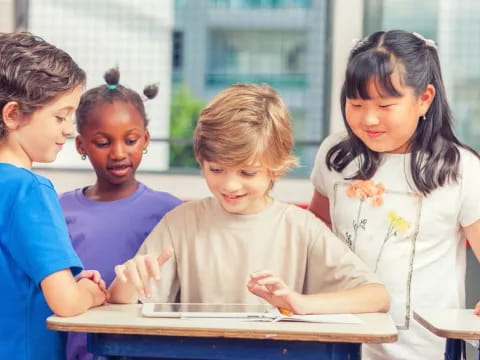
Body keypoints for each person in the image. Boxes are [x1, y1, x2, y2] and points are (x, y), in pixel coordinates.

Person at [107, 83, 390, 317]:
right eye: (216, 169)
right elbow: (122, 304)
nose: (230, 184)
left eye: (247, 172)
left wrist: (300, 303)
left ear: (276, 166)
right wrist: (128, 283)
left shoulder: (300, 227)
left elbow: (376, 297)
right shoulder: (181, 223)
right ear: (200, 160)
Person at [309, 30, 480, 360]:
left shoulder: (460, 168)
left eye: (385, 105)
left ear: (424, 99)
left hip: (424, 351)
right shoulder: (337, 155)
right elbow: (313, 236)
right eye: (356, 104)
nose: (368, 118)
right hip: (338, 343)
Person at [60, 67, 182, 360]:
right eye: (103, 143)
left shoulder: (170, 212)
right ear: (81, 145)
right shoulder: (59, 210)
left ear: (146, 139)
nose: (118, 153)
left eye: (131, 140)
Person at [0, 32, 107, 360]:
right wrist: (87, 292)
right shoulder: (30, 189)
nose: (68, 129)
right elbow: (65, 302)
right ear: (13, 114)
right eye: (60, 116)